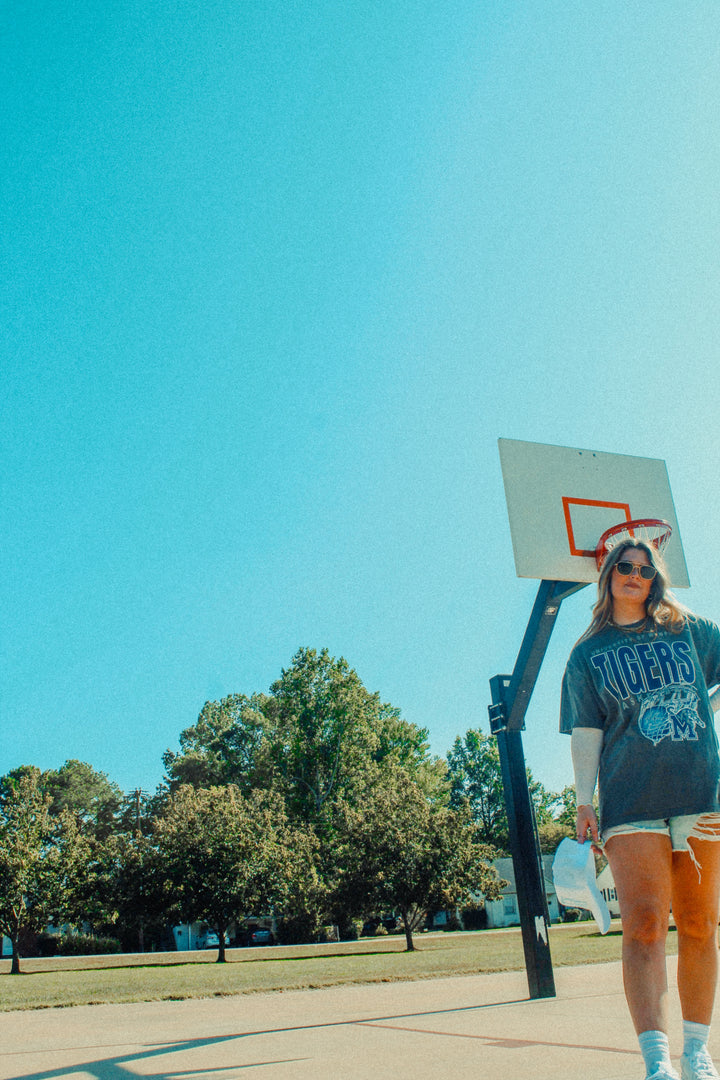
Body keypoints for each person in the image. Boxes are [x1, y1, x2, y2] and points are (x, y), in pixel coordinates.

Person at [560, 537, 720, 1080]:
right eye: (624, 567)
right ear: (607, 575)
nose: (634, 576)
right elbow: (586, 731)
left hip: (701, 795)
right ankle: (657, 1061)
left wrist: (705, 706)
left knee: (699, 924)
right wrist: (584, 800)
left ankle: (697, 1052)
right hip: (630, 801)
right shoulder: (587, 654)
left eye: (645, 570)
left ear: (656, 578)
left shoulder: (689, 629)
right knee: (646, 925)